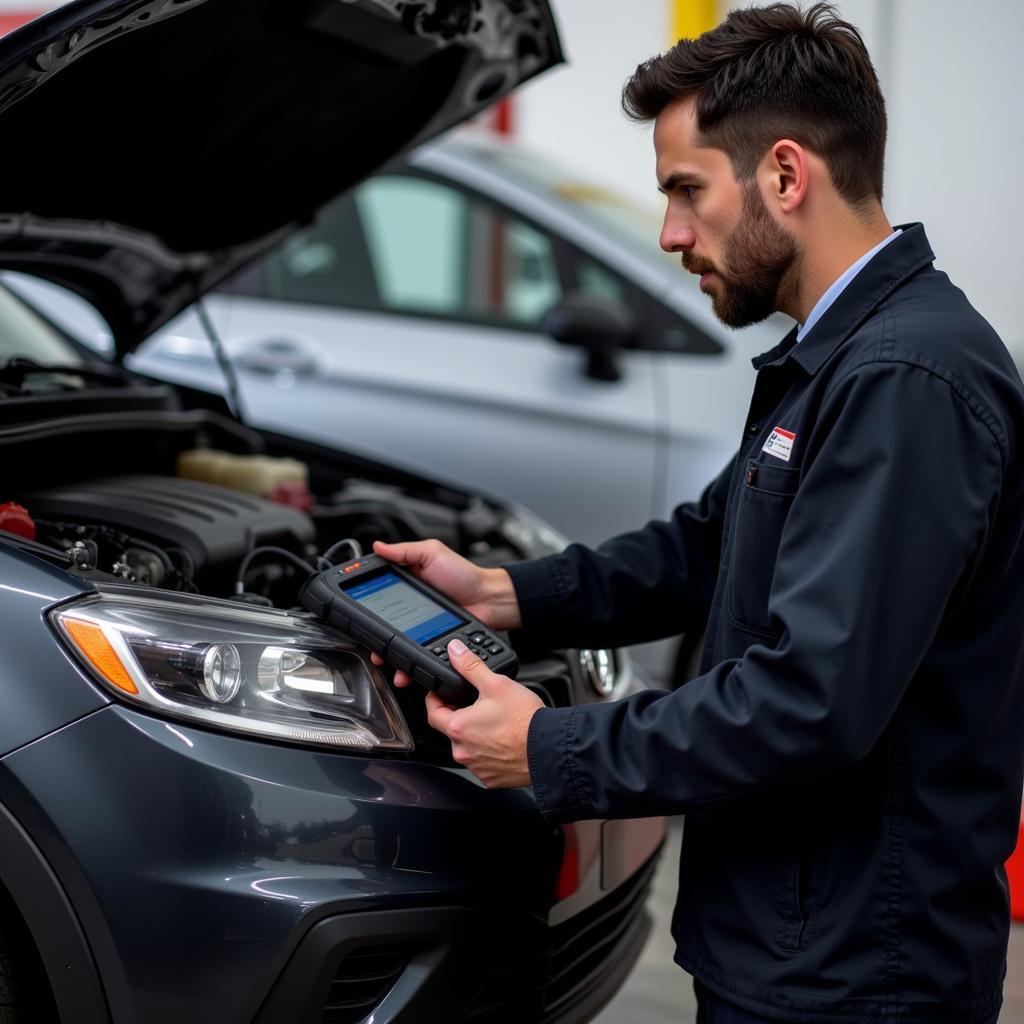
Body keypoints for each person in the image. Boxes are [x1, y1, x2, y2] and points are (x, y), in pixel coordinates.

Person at [371, 4, 1024, 1021]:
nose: (671, 233)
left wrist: (553, 751)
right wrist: (500, 592)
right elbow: (705, 546)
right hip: (794, 940)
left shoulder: (907, 379)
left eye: (685, 191)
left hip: (857, 978)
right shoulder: (840, 356)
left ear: (784, 175)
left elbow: (810, 696)